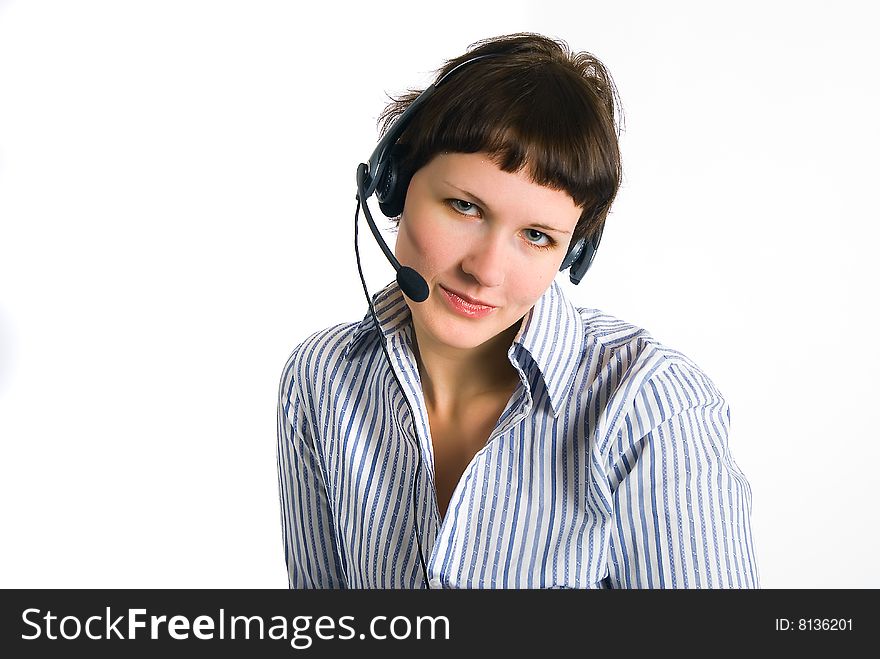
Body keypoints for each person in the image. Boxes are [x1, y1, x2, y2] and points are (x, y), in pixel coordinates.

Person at [276, 32, 759, 589]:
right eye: (464, 207)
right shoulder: (322, 377)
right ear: (395, 184)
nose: (486, 271)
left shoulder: (651, 408)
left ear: (572, 251)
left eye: (536, 236)